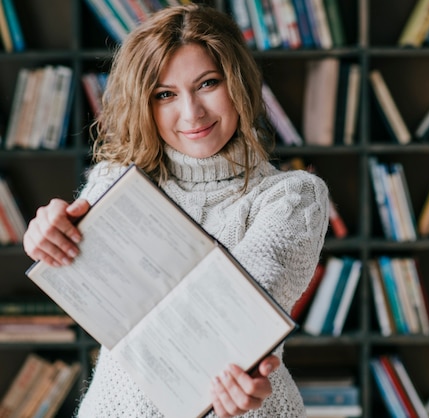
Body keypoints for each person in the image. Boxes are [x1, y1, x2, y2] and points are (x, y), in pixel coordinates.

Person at [22, 4, 329, 417]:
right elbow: (83, 277)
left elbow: (247, 306)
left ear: (237, 83)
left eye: (207, 84)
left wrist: (242, 361)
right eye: (165, 94)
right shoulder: (116, 179)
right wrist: (47, 236)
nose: (192, 113)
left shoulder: (293, 196)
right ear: (145, 105)